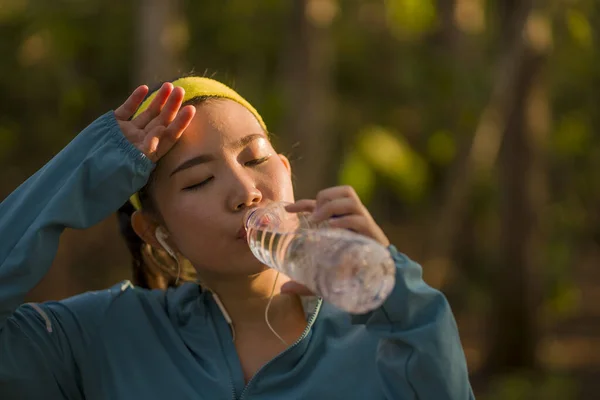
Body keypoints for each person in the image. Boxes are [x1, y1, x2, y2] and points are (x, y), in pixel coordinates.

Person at [0, 76, 475, 399]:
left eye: (254, 160)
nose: (246, 192)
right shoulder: (102, 338)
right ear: (157, 233)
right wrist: (86, 168)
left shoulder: (385, 332)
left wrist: (397, 296)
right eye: (199, 181)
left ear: (286, 173)